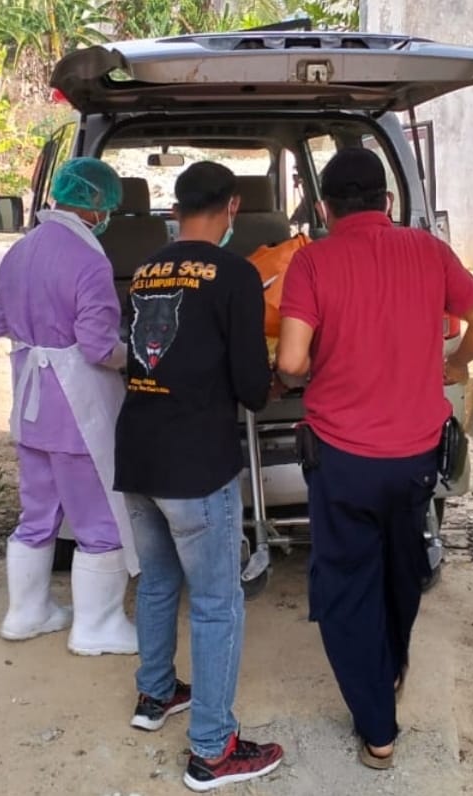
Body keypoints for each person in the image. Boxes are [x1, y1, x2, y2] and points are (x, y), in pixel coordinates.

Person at [276, 147, 473, 768]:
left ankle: (378, 727)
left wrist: (295, 369)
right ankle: (394, 665)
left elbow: (293, 361)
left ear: (324, 206)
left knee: (346, 582)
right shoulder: (430, 251)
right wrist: (453, 365)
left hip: (342, 457)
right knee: (403, 566)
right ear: (387, 201)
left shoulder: (312, 262)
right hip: (416, 455)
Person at [113, 161, 283, 793]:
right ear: (232, 207)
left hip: (137, 451)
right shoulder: (236, 274)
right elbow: (250, 388)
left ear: (173, 209)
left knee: (157, 581)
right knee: (216, 604)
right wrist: (276, 378)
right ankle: (213, 749)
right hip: (195, 462)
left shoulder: (148, 271)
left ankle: (155, 695)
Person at [0, 157, 138, 657]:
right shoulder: (89, 260)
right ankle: (97, 626)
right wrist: (134, 357)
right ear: (98, 204)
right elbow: (97, 346)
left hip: (30, 405)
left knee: (37, 514)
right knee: (101, 520)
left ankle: (26, 613)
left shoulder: (19, 250)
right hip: (77, 409)